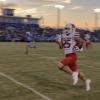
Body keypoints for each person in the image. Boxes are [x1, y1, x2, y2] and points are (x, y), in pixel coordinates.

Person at [56, 23, 91, 91]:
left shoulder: (73, 35)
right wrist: (58, 41)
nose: (66, 30)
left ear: (72, 29)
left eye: (67, 28)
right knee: (77, 73)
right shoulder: (64, 35)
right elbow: (61, 47)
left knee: (59, 65)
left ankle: (73, 74)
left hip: (72, 55)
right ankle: (87, 81)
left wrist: (80, 47)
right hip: (68, 56)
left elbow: (82, 41)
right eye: (65, 28)